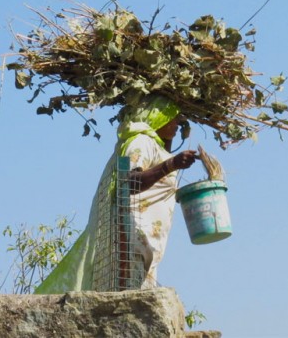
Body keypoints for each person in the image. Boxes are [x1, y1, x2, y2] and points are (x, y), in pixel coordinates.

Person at [35, 95, 197, 293]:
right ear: (158, 117)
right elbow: (129, 181)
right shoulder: (141, 141)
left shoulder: (157, 147)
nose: (177, 124)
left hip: (146, 242)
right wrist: (171, 164)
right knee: (126, 294)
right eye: (172, 118)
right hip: (129, 238)